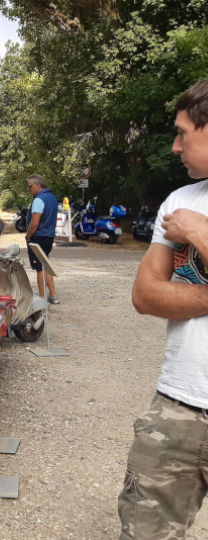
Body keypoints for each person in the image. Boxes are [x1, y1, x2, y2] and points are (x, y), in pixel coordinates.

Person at [118, 79, 208, 540]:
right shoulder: (181, 202)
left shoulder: (191, 220)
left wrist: (202, 235)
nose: (174, 146)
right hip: (180, 406)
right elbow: (146, 296)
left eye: (183, 133)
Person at [24, 174, 59, 304]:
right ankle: (53, 295)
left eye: (30, 186)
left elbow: (34, 223)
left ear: (38, 185)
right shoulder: (53, 198)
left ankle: (42, 298)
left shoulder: (39, 200)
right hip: (49, 236)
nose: (29, 189)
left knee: (39, 268)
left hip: (38, 237)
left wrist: (28, 236)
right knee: (46, 265)